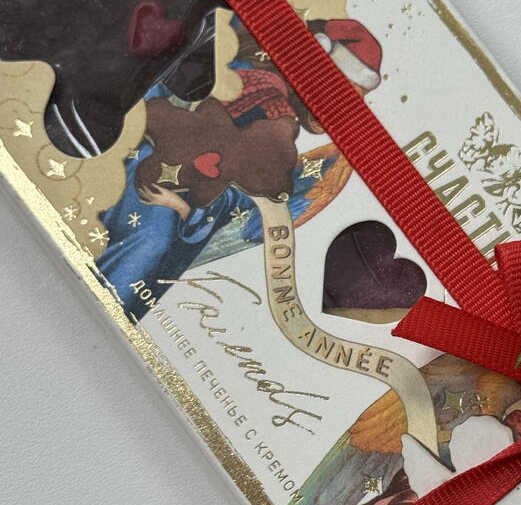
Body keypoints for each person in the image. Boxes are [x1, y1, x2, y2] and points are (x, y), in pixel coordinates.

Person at [96, 17, 384, 319]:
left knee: (154, 241)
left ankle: (105, 313)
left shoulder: (281, 128)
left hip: (168, 193)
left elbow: (239, 194)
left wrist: (182, 208)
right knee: (150, 238)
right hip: (138, 150)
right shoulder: (243, 69)